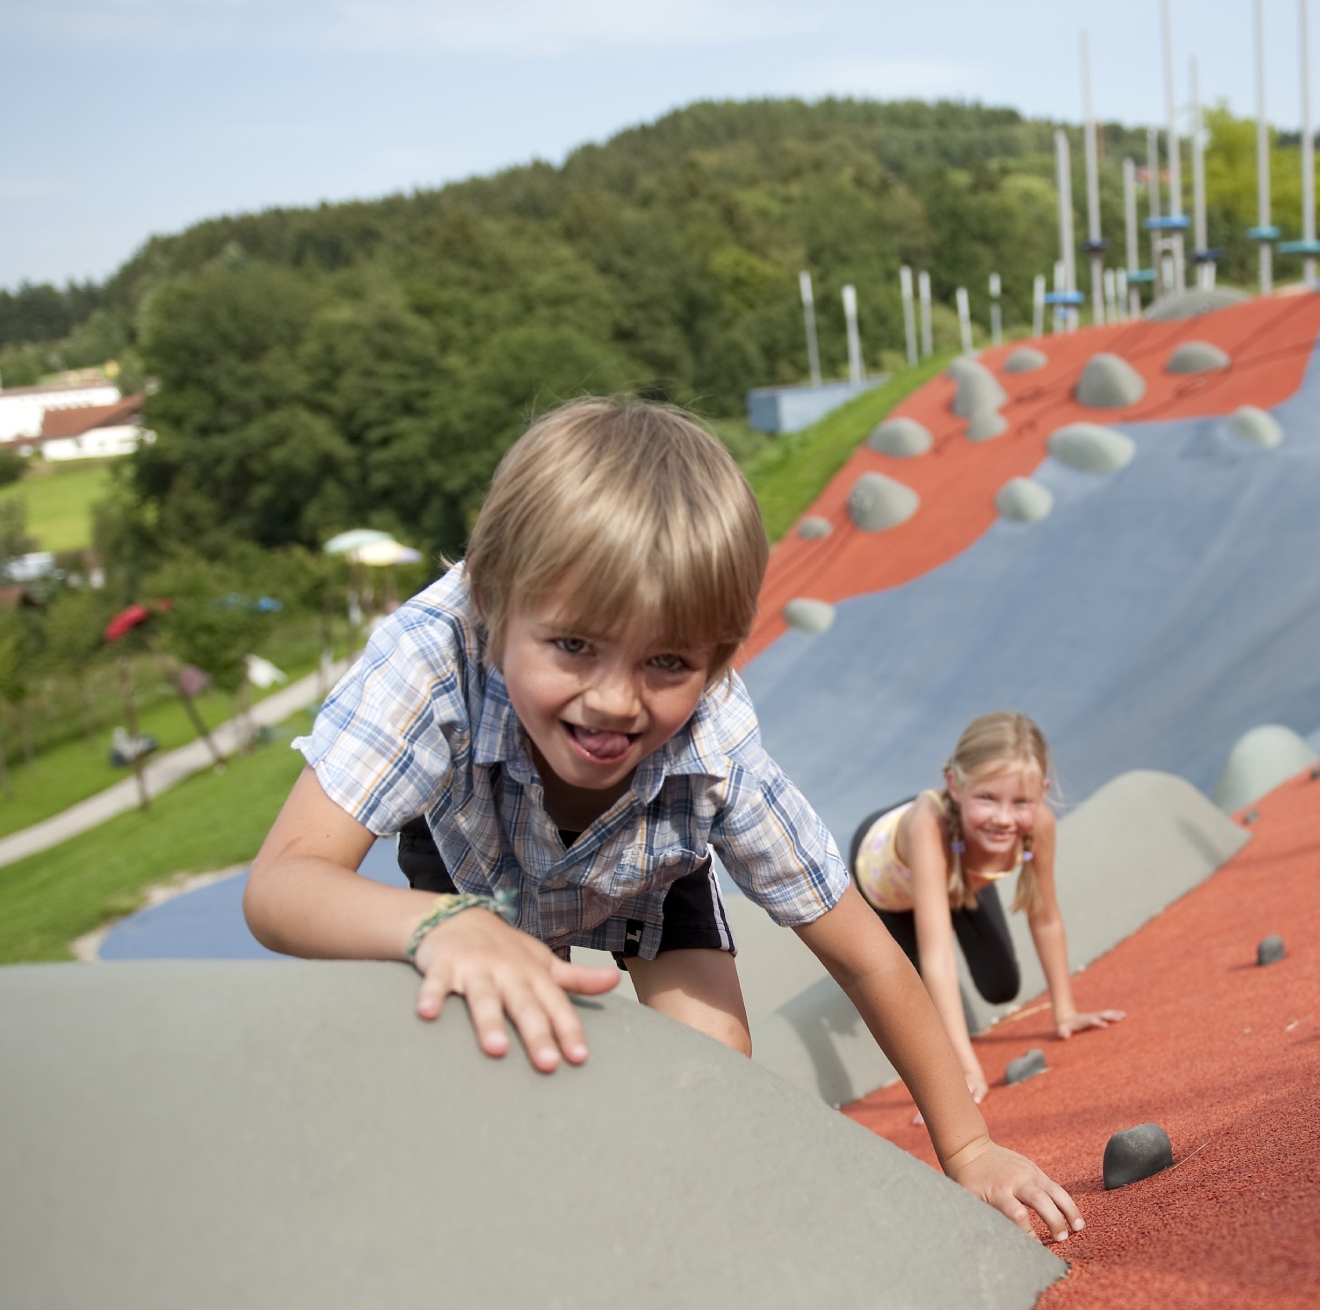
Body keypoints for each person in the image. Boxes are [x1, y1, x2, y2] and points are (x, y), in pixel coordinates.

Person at [243, 398, 1081, 1241]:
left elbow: (865, 956)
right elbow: (282, 883)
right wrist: (442, 925)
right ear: (496, 605)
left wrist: (969, 1148)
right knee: (512, 1058)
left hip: (648, 862)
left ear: (717, 663)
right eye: (573, 645)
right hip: (478, 867)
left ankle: (676, 1235)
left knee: (714, 1074)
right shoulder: (429, 660)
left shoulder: (716, 748)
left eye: (667, 662)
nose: (613, 700)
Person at [851, 713, 1124, 1105]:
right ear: (955, 787)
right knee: (914, 1003)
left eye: (1021, 802)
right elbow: (939, 958)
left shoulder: (1037, 824)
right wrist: (964, 1067)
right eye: (987, 798)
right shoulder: (928, 826)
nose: (1004, 818)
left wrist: (1065, 1010)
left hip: (960, 868)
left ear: (1042, 793)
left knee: (1001, 987)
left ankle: (958, 885)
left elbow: (1045, 918)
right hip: (889, 884)